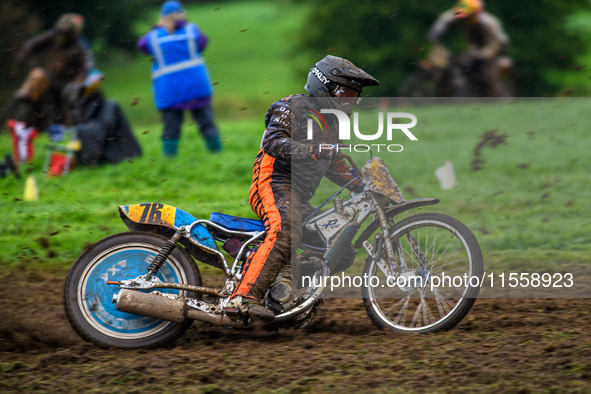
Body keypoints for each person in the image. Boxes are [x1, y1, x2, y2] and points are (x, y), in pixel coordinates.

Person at [226, 55, 379, 320]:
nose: (348, 101)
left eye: (353, 96)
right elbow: (274, 143)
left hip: (300, 197)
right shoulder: (292, 106)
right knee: (285, 231)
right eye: (344, 93)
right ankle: (242, 298)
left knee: (341, 251)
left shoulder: (333, 123)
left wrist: (366, 186)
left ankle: (285, 289)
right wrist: (314, 149)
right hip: (273, 183)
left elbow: (336, 165)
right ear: (324, 86)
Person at [137, 0, 221, 157]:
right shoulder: (192, 31)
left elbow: (141, 46)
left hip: (171, 91)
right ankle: (217, 155)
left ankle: (169, 160)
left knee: (171, 127)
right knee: (206, 123)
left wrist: (160, 27)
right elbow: (203, 43)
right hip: (196, 87)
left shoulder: (154, 37)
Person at [12, 13, 88, 129]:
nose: (62, 36)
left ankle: (61, 130)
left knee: (63, 106)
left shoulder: (78, 47)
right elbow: (30, 48)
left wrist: (76, 83)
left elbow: (83, 70)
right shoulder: (52, 37)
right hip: (47, 78)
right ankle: (27, 97)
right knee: (38, 76)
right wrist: (33, 65)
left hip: (65, 83)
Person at [428, 0, 510, 97]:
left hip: (494, 46)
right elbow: (444, 20)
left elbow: (496, 43)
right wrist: (436, 33)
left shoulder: (489, 23)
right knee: (449, 66)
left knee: (488, 74)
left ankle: (500, 98)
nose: (465, 19)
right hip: (474, 47)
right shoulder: (459, 14)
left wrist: (483, 55)